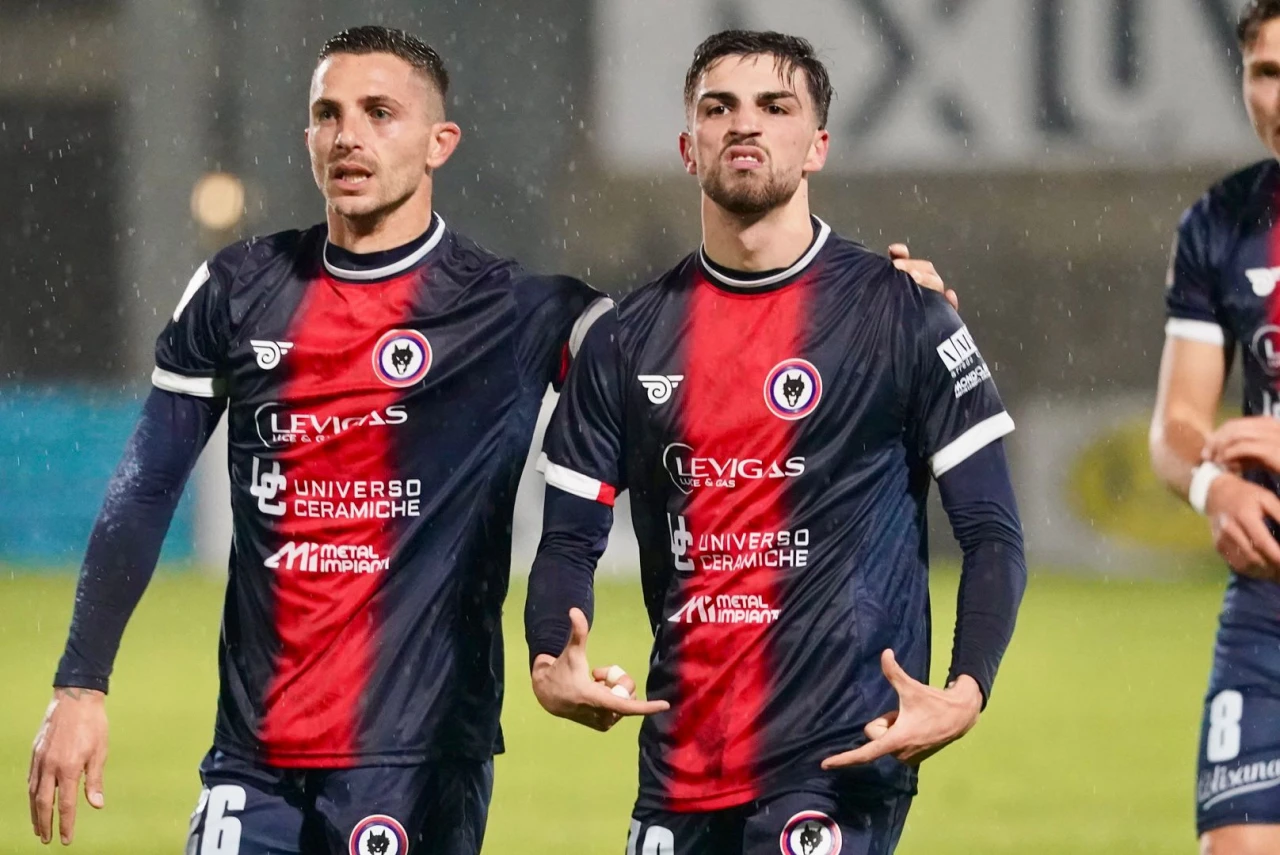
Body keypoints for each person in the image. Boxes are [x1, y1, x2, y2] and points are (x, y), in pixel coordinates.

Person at [25, 23, 954, 855]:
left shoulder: (519, 310)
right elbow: (145, 489)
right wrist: (80, 685)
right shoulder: (240, 288)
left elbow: (710, 332)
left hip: (420, 757)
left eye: (379, 113)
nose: (348, 136)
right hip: (250, 755)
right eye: (328, 114)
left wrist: (893, 306)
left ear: (440, 143)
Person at [524, 29, 1027, 855]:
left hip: (839, 760)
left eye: (775, 106)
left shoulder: (900, 313)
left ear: (817, 144)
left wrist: (966, 687)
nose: (744, 124)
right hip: (679, 765)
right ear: (689, 146)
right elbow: (567, 540)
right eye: (719, 108)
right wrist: (552, 657)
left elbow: (992, 530)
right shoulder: (625, 339)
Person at [1150, 3, 1280, 851]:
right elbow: (1177, 424)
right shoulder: (1222, 222)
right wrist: (1213, 486)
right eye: (1266, 73)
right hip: (1269, 596)